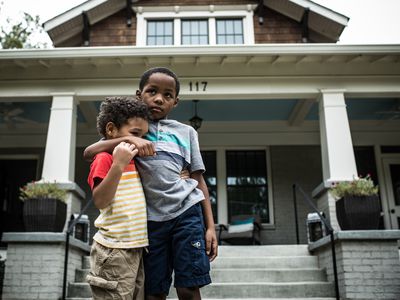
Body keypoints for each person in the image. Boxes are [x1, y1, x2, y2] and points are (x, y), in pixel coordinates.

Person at [84, 67, 218, 300]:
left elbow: (198, 179)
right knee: (153, 291)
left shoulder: (186, 132)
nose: (159, 98)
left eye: (168, 95)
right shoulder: (133, 127)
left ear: (176, 102)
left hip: (187, 213)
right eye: (152, 91)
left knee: (188, 286)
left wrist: (210, 227)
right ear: (139, 94)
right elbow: (89, 152)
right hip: (151, 222)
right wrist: (129, 138)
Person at [86, 96, 151, 300]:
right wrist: (118, 165)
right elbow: (100, 200)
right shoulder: (105, 158)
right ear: (111, 130)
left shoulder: (135, 160)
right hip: (114, 248)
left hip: (136, 247)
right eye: (134, 134)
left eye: (143, 136)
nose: (139, 141)